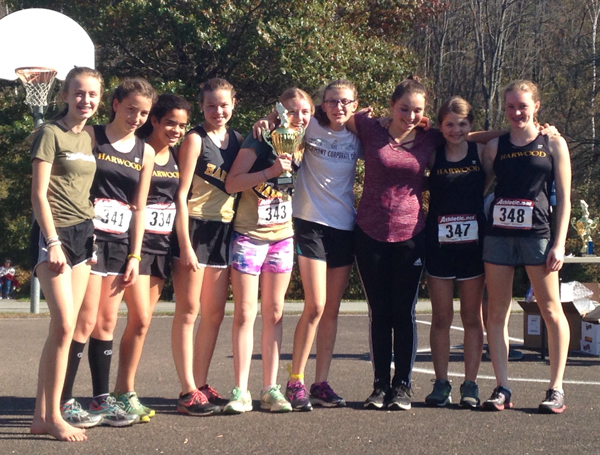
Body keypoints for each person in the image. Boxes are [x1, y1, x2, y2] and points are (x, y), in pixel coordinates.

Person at [60, 78, 157, 426]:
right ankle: (64, 399)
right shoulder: (92, 137)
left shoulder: (145, 151)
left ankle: (101, 399)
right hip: (87, 237)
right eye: (131, 109)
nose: (136, 117)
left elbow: (139, 207)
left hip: (119, 242)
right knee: (82, 321)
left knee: (106, 322)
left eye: (143, 113)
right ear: (115, 104)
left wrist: (135, 255)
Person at [481, 80, 571, 414]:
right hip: (499, 237)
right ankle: (502, 386)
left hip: (538, 236)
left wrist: (559, 244)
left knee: (550, 310)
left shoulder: (554, 143)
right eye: (510, 107)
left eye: (523, 106)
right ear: (504, 109)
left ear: (536, 106)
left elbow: (565, 201)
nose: (517, 112)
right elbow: (480, 182)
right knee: (497, 312)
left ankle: (556, 388)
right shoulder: (495, 146)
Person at [223, 88, 313, 414]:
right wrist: (270, 172)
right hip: (249, 236)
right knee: (246, 314)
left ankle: (270, 389)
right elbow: (232, 183)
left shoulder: (305, 143)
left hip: (283, 238)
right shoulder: (258, 139)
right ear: (278, 111)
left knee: (274, 314)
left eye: (305, 112)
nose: (299, 117)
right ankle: (240, 390)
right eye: (292, 110)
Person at [273, 80, 361, 410]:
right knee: (316, 305)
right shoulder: (308, 128)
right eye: (332, 101)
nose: (338, 107)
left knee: (331, 310)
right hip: (310, 224)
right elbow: (284, 120)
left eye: (345, 102)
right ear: (323, 105)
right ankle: (295, 380)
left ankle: (320, 382)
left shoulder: (358, 135)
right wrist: (267, 119)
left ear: (354, 104)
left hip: (345, 226)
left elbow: (394, 136)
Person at [29, 67, 103, 441]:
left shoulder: (88, 138)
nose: (85, 100)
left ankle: (41, 416)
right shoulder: (49, 134)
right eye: (78, 93)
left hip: (84, 235)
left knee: (65, 329)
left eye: (92, 94)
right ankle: (56, 416)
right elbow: (39, 194)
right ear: (64, 96)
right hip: (54, 236)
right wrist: (53, 240)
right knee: (63, 326)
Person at [112, 94, 191, 418]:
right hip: (134, 246)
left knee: (139, 324)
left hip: (161, 247)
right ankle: (120, 391)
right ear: (155, 120)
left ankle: (123, 390)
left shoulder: (175, 156)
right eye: (170, 122)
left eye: (182, 125)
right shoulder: (138, 149)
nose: (176, 130)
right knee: (138, 319)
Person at [171, 78, 242, 416]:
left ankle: (199, 383)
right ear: (202, 106)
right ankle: (186, 391)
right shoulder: (194, 140)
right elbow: (180, 195)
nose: (218, 111)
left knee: (214, 314)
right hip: (195, 230)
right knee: (188, 313)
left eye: (224, 104)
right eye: (211, 105)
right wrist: (185, 244)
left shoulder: (239, 140)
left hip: (224, 230)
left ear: (233, 104)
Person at [423, 97, 486, 408]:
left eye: (463, 124)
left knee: (472, 318)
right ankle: (441, 382)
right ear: (440, 126)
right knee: (441, 318)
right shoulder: (433, 155)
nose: (456, 130)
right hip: (439, 245)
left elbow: (501, 138)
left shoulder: (481, 152)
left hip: (473, 247)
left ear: (471, 125)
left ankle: (471, 385)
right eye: (449, 124)